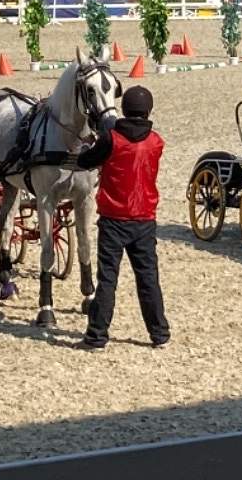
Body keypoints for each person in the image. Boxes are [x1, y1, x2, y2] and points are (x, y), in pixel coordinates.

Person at [74, 85, 170, 350]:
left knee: (108, 280)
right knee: (148, 278)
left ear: (124, 109)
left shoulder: (111, 138)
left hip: (114, 218)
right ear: (148, 110)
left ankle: (96, 336)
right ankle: (159, 334)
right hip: (145, 218)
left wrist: (86, 146)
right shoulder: (156, 141)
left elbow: (86, 162)